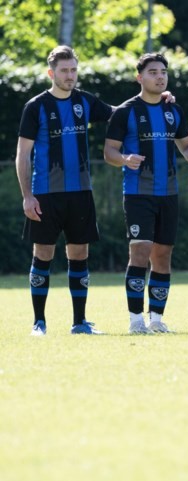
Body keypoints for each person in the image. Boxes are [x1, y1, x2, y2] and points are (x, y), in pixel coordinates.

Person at [104, 53, 188, 334]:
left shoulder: (173, 109)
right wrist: (125, 159)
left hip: (169, 194)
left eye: (163, 71)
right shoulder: (125, 112)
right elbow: (109, 152)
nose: (160, 76)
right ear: (140, 78)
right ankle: (136, 321)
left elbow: (186, 146)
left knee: (163, 256)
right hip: (138, 194)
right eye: (153, 72)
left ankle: (157, 320)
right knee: (140, 252)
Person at [16, 45, 112, 336]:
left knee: (79, 253)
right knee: (43, 253)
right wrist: (27, 196)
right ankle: (39, 322)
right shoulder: (36, 106)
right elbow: (22, 154)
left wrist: (152, 99)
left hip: (81, 192)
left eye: (73, 70)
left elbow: (119, 114)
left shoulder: (85, 101)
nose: (70, 75)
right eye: (64, 70)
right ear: (51, 73)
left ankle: (80, 323)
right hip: (45, 194)